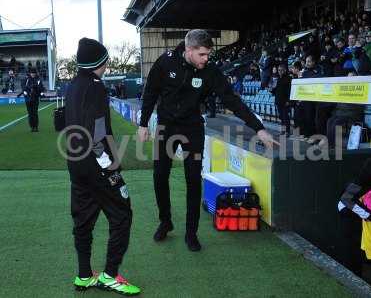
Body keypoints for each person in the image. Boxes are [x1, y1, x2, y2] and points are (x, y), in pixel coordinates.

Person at [138, 29, 275, 252]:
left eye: (208, 55)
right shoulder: (165, 63)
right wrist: (144, 124)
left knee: (193, 179)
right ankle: (165, 221)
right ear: (189, 50)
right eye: (202, 54)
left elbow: (231, 99)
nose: (206, 59)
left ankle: (191, 233)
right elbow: (151, 92)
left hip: (192, 128)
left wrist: (258, 128)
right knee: (159, 174)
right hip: (166, 127)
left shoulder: (209, 71)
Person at [65, 38, 141, 296]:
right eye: (106, 60)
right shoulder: (96, 88)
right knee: (122, 215)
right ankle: (109, 275)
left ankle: (84, 275)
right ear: (101, 62)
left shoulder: (72, 86)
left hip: (75, 163)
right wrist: (108, 164)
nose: (107, 64)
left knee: (83, 219)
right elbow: (96, 132)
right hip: (96, 164)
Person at [272, 64, 292, 136]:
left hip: (285, 101)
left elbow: (290, 91)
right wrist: (271, 89)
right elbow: (275, 91)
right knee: (281, 117)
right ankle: (283, 131)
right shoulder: (277, 79)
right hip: (278, 101)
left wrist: (288, 101)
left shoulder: (288, 78)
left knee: (285, 117)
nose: (279, 71)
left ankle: (287, 131)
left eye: (281, 70)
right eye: (278, 70)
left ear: (285, 70)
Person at [23, 68, 45, 132]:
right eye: (32, 73)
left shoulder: (38, 80)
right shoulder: (26, 80)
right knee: (30, 113)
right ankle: (32, 127)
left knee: (35, 113)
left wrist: (41, 92)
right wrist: (25, 92)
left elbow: (41, 88)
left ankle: (36, 127)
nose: (33, 74)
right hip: (28, 99)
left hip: (35, 98)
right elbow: (23, 88)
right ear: (30, 73)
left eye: (34, 73)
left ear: (35, 73)